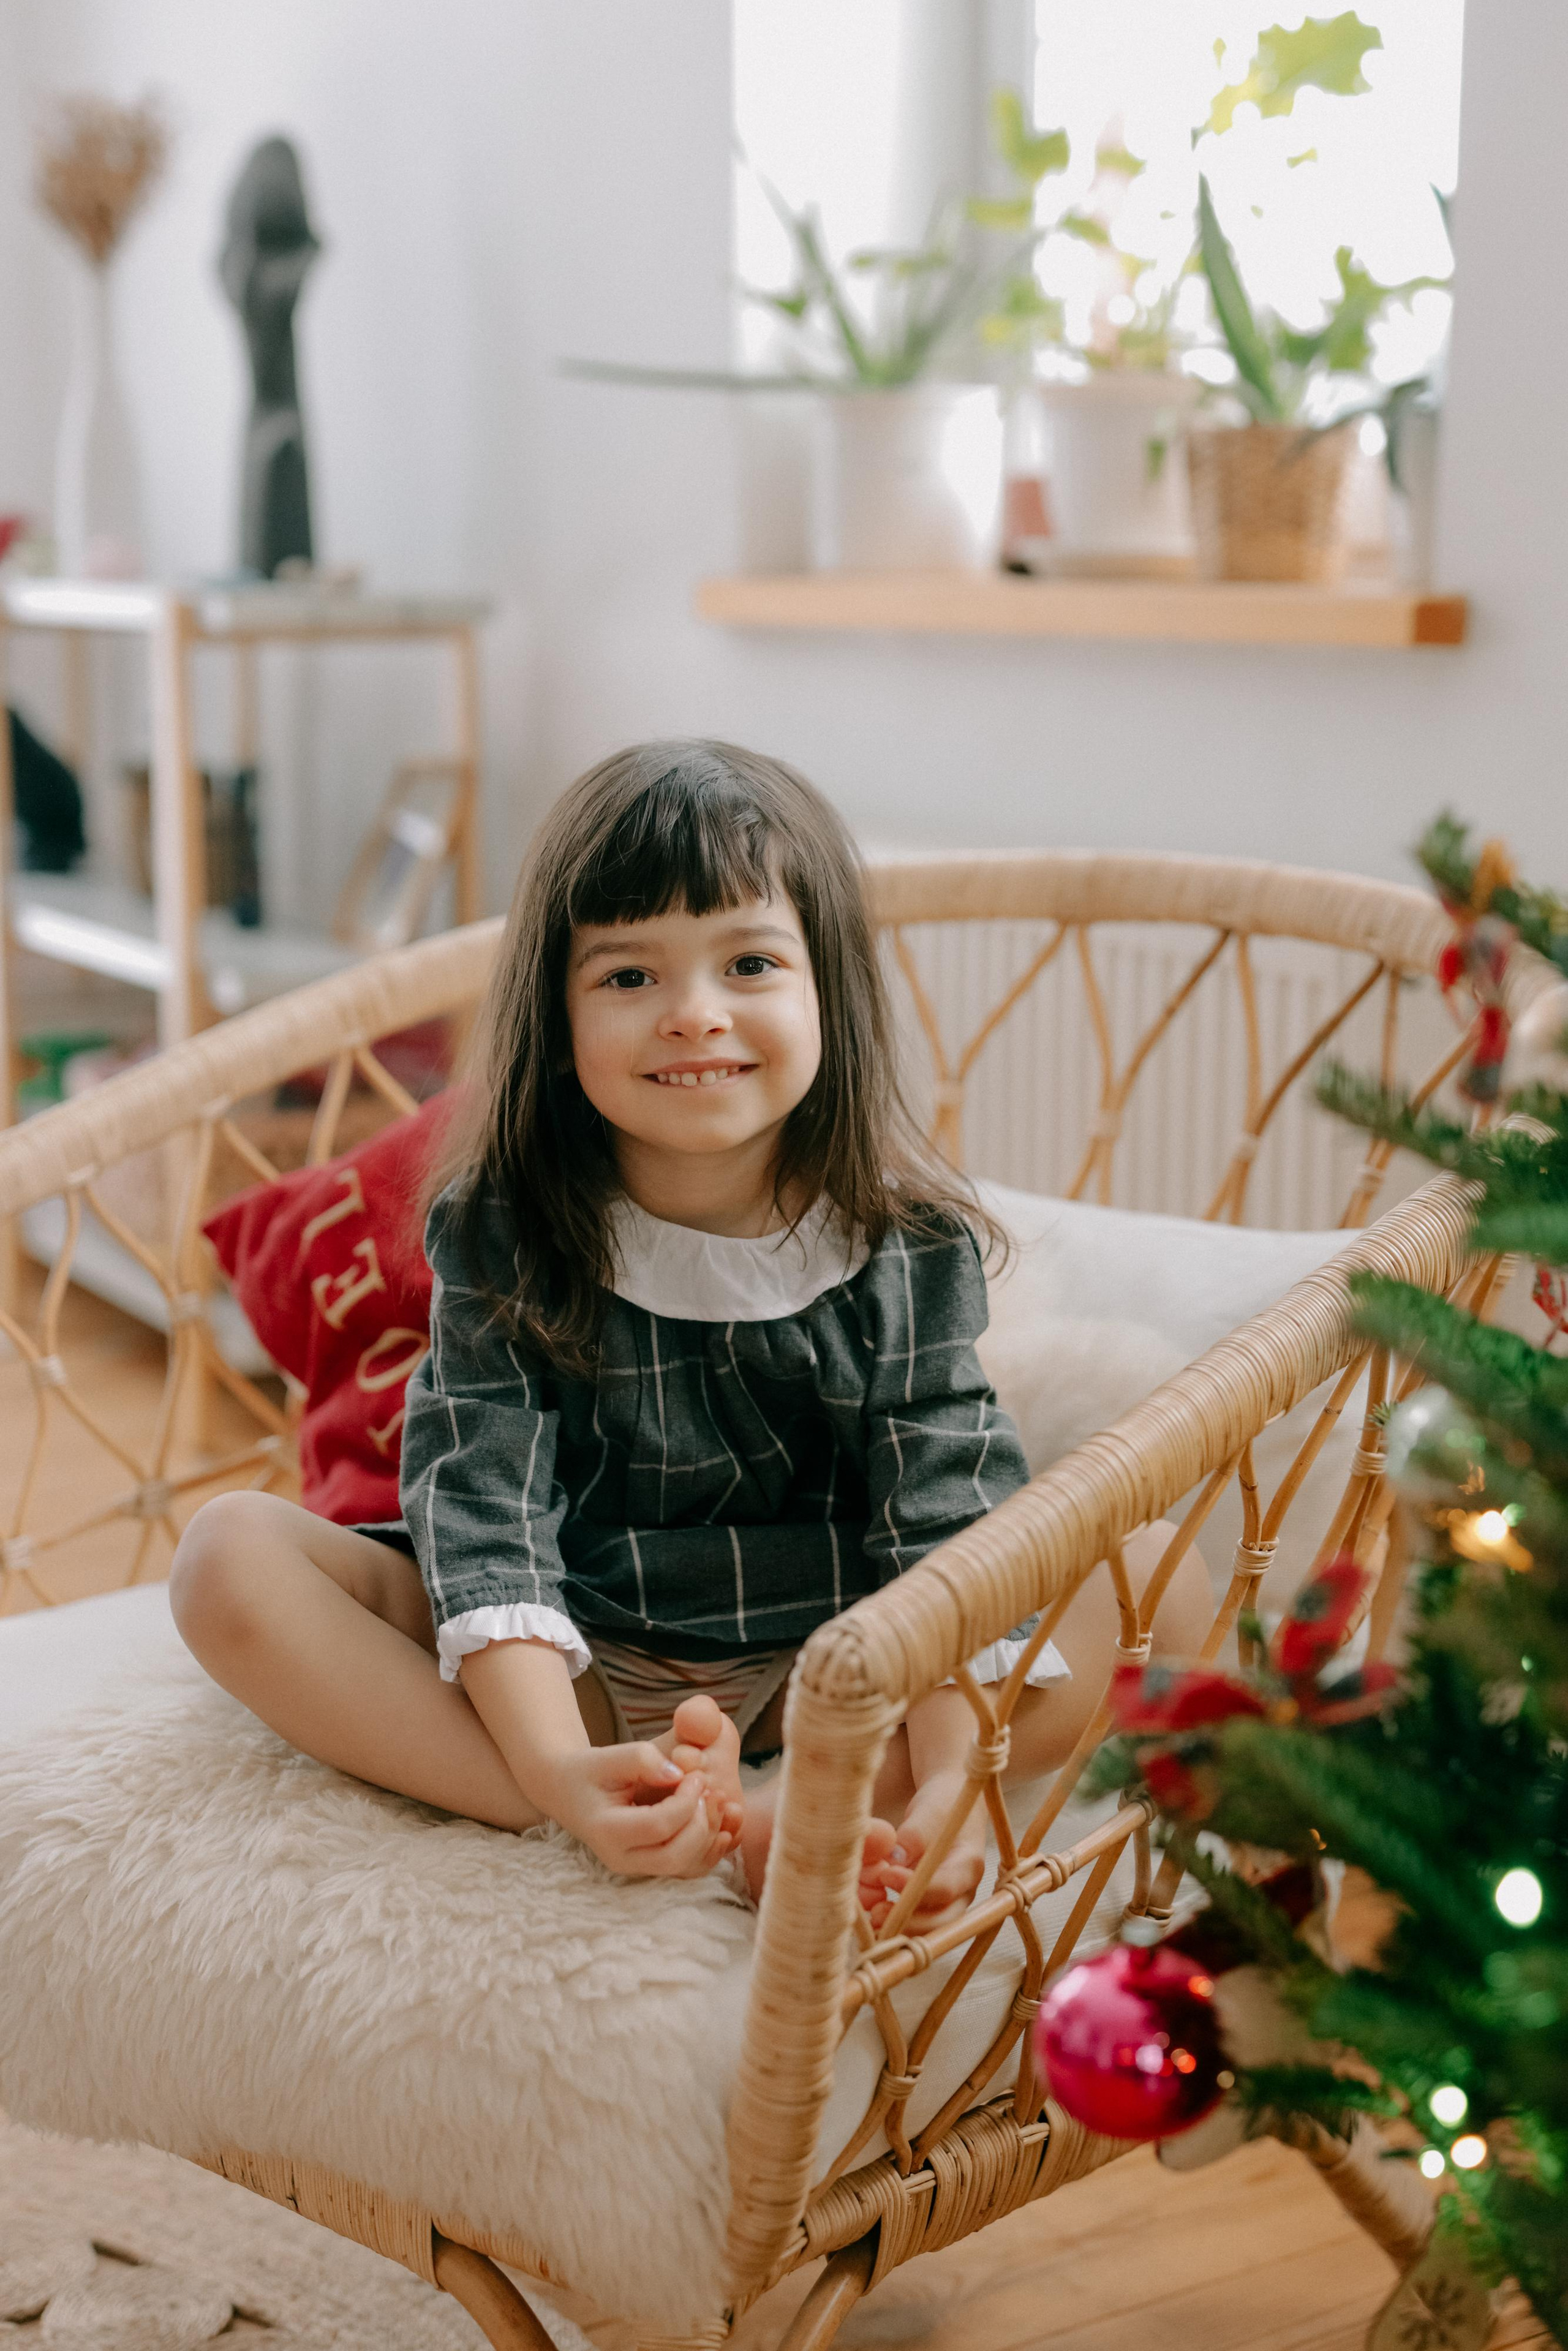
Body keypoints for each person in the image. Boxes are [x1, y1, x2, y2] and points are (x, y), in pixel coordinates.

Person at [172, 741, 1208, 1925]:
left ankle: (818, 1813)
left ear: (831, 995)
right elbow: (484, 1509)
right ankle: (598, 1812)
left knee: (1158, 1576)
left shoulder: (905, 1246)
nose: (694, 1016)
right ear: (555, 1018)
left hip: (838, 1670)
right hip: (572, 1659)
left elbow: (946, 1528)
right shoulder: (508, 1230)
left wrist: (953, 1794)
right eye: (628, 978)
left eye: (751, 962)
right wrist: (561, 1766)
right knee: (229, 1560)